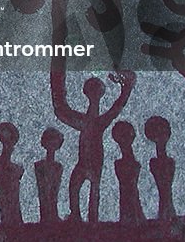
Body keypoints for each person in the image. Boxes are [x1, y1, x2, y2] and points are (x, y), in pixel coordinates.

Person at [54, 70, 135, 221]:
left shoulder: (95, 122)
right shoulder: (91, 122)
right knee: (76, 186)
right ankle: (78, 215)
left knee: (90, 189)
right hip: (85, 162)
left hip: (93, 162)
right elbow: (115, 109)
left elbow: (116, 109)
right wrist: (126, 90)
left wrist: (127, 90)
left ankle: (90, 217)